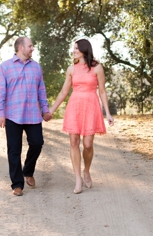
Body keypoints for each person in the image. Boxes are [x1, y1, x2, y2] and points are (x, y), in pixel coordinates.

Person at [49, 39, 115, 194]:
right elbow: (63, 92)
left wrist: (108, 113)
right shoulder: (71, 69)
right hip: (75, 106)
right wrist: (51, 110)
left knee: (87, 144)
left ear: (85, 50)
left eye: (77, 48)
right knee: (73, 141)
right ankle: (78, 178)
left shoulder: (97, 68)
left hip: (91, 106)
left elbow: (102, 91)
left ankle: (86, 170)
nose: (74, 51)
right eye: (74, 48)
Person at [0, 36, 52, 196]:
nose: (32, 48)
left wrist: (45, 109)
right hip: (12, 115)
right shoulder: (5, 67)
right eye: (30, 46)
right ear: (21, 48)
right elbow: (0, 91)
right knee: (14, 150)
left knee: (37, 143)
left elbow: (41, 91)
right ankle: (17, 184)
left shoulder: (36, 67)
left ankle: (28, 170)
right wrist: (0, 113)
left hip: (32, 114)